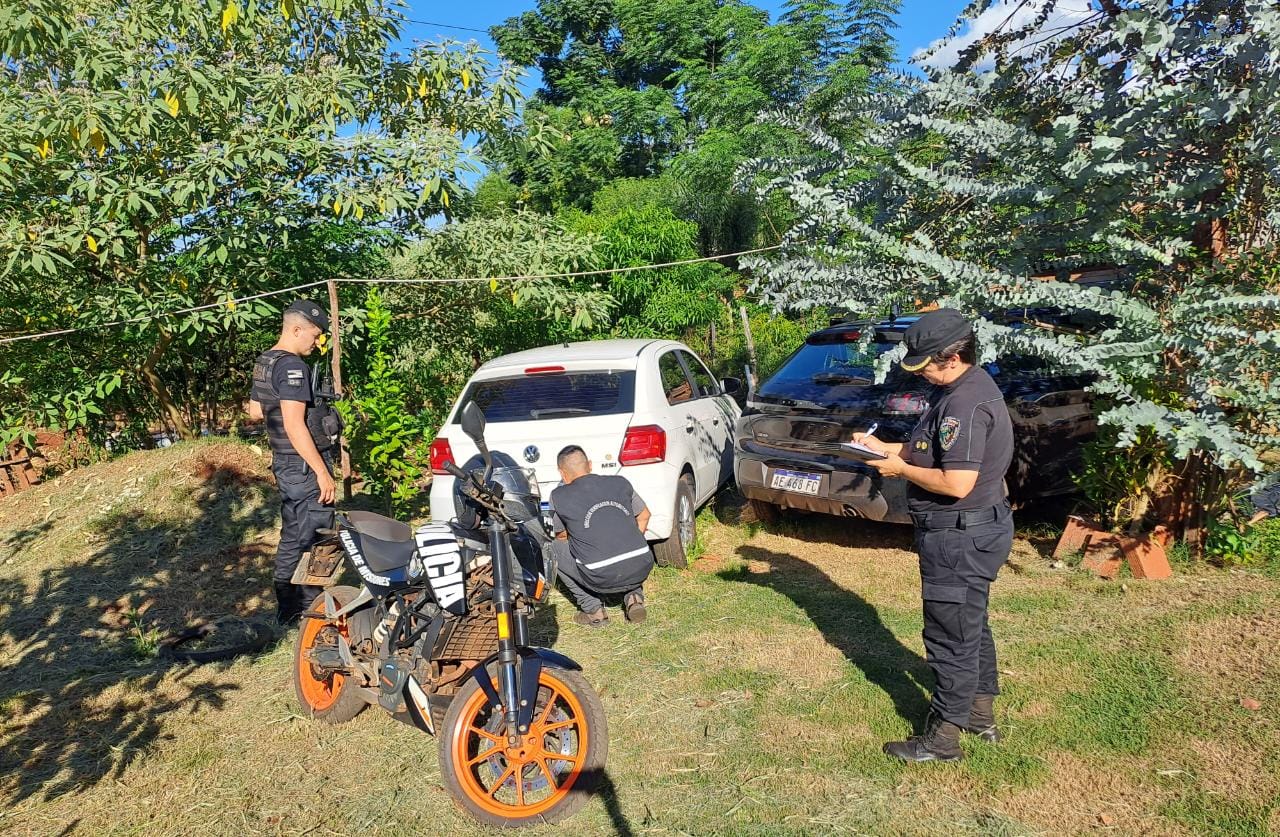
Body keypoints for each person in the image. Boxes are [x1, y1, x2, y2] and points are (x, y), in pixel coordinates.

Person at [851, 308, 1015, 763]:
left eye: (925, 364)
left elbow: (956, 482)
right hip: (975, 530)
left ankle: (943, 740)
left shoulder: (964, 404)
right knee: (969, 624)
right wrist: (886, 449)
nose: (919, 373)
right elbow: (932, 450)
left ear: (953, 357)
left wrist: (899, 470)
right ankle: (979, 715)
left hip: (959, 536)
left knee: (949, 636)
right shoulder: (967, 387)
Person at [247, 300, 337, 625]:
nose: (317, 342)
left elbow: (254, 411)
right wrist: (322, 472)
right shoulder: (292, 367)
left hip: (285, 464)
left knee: (292, 536)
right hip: (303, 465)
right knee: (316, 537)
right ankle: (313, 617)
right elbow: (294, 424)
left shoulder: (265, 361)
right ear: (296, 329)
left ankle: (288, 612)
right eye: (314, 334)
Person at [549, 445, 654, 627]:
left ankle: (593, 610)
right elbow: (645, 515)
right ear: (590, 465)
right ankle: (634, 598)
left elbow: (561, 536)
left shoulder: (559, 496)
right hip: (642, 566)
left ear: (562, 473)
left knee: (551, 547)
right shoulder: (620, 482)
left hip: (599, 576)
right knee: (624, 544)